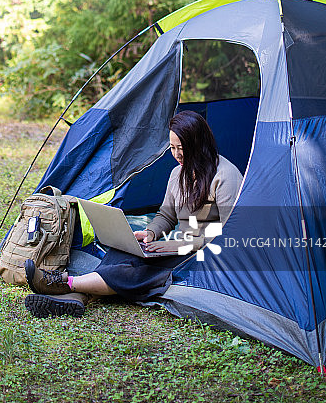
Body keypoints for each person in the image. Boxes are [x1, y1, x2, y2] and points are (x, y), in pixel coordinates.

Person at [24, 110, 243, 318]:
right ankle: (78, 297)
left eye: (182, 148)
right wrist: (151, 233)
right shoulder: (177, 174)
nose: (177, 154)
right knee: (123, 252)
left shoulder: (225, 176)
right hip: (179, 247)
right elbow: (166, 216)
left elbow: (231, 234)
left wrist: (180, 245)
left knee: (141, 269)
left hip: (204, 256)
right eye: (172, 147)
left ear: (199, 143)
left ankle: (63, 283)